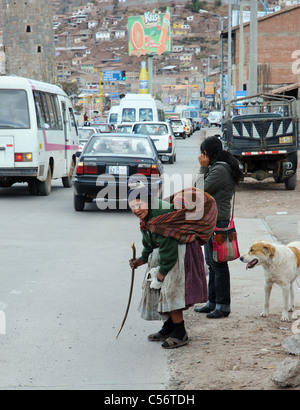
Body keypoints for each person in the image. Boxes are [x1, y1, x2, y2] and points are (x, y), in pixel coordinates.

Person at [128, 184, 217, 349]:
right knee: (155, 289)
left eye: (139, 205)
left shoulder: (160, 216)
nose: (136, 210)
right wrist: (141, 260)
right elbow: (148, 242)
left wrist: (162, 272)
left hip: (179, 252)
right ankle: (168, 327)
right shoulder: (147, 218)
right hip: (164, 252)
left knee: (170, 290)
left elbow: (169, 248)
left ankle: (180, 332)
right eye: (133, 206)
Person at [194, 135, 243, 319]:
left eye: (203, 154)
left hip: (217, 222)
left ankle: (223, 306)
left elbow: (198, 191)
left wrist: (202, 168)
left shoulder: (220, 170)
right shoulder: (219, 167)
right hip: (212, 221)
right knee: (212, 263)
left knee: (218, 265)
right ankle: (213, 302)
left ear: (207, 153)